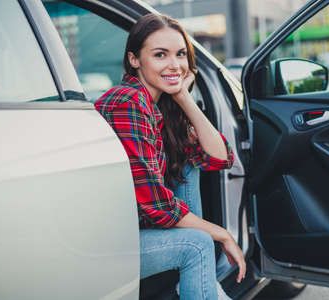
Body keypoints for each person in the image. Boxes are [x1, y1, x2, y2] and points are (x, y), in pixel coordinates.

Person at [95, 13, 246, 299]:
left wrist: (184, 97)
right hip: (104, 244)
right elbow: (157, 204)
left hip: (132, 228)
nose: (174, 65)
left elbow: (220, 158)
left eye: (180, 55)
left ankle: (202, 285)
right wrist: (222, 233)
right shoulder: (129, 101)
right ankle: (203, 283)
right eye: (160, 55)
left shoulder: (159, 104)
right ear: (135, 59)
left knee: (188, 166)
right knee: (197, 244)